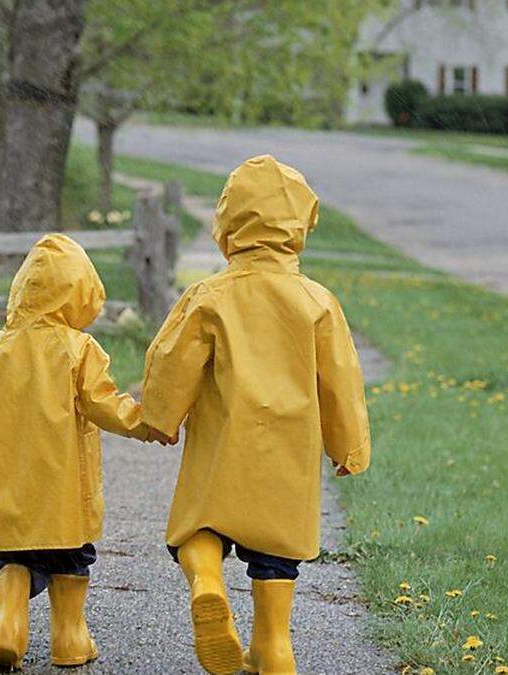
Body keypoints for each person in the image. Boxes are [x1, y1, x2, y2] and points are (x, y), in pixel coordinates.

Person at [141, 155, 372, 675]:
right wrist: (349, 445)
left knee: (197, 526)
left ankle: (206, 583)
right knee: (276, 551)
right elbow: (340, 380)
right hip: (288, 451)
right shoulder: (316, 301)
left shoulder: (209, 296)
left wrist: (161, 416)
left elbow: (171, 359)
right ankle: (273, 646)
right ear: (299, 227)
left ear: (228, 224)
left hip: (224, 442)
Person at [0, 233, 170, 669]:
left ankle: (5, 623)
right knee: (72, 557)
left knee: (16, 558)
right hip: (67, 490)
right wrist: (145, 424)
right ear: (80, 294)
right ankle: (69, 640)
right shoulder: (77, 350)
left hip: (10, 491)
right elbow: (103, 403)